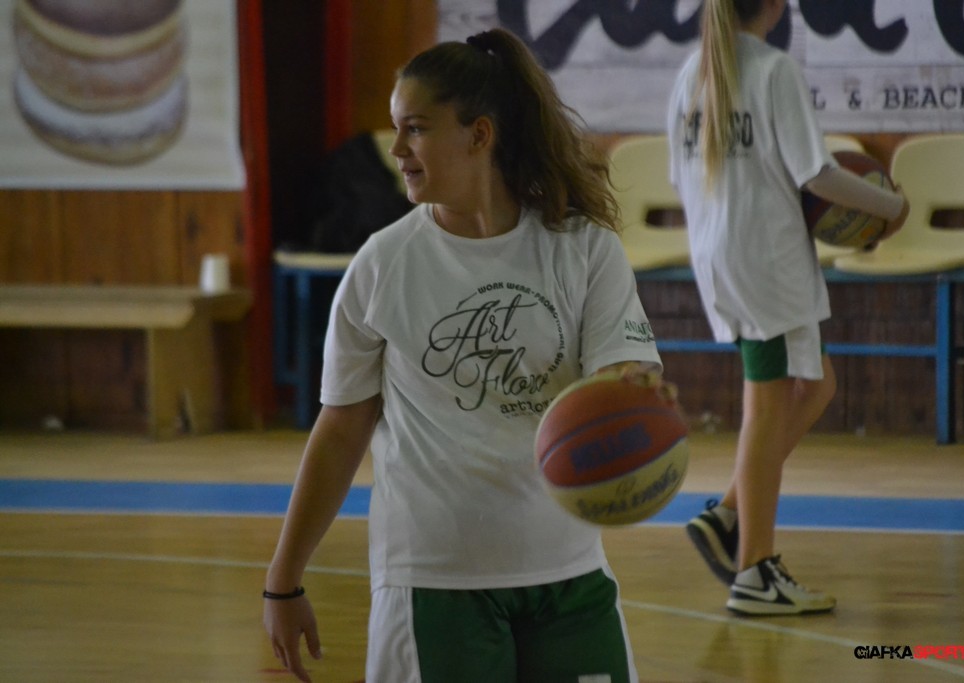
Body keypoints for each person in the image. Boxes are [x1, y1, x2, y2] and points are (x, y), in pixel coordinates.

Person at [263, 28, 677, 682]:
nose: (396, 149)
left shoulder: (583, 247)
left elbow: (621, 375)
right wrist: (282, 580)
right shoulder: (382, 265)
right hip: (435, 582)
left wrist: (637, 394)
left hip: (569, 575)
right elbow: (340, 429)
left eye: (416, 129)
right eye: (397, 128)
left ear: (478, 135)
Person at [666, 0, 909, 616]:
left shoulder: (691, 71)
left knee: (818, 384)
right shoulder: (774, 70)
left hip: (719, 253)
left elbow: (678, 177)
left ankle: (728, 513)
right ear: (774, 7)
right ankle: (755, 571)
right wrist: (891, 207)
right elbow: (818, 175)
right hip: (765, 259)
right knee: (766, 406)